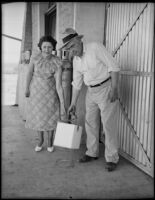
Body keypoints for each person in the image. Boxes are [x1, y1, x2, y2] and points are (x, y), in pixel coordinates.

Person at [60, 28, 120, 171]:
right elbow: (76, 83)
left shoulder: (95, 48)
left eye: (73, 46)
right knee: (90, 123)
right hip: (91, 91)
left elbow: (114, 67)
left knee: (108, 124)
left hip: (106, 88)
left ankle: (112, 158)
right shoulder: (75, 61)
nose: (71, 50)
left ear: (79, 41)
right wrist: (73, 103)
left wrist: (114, 89)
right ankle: (92, 152)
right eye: (68, 49)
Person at [25, 35, 67, 152]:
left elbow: (58, 83)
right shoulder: (35, 58)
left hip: (50, 93)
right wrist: (27, 88)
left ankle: (49, 141)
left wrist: (62, 102)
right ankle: (40, 140)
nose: (47, 49)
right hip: (36, 92)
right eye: (44, 47)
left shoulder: (57, 61)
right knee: (39, 117)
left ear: (53, 48)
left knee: (51, 117)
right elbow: (29, 74)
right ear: (40, 47)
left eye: (49, 47)